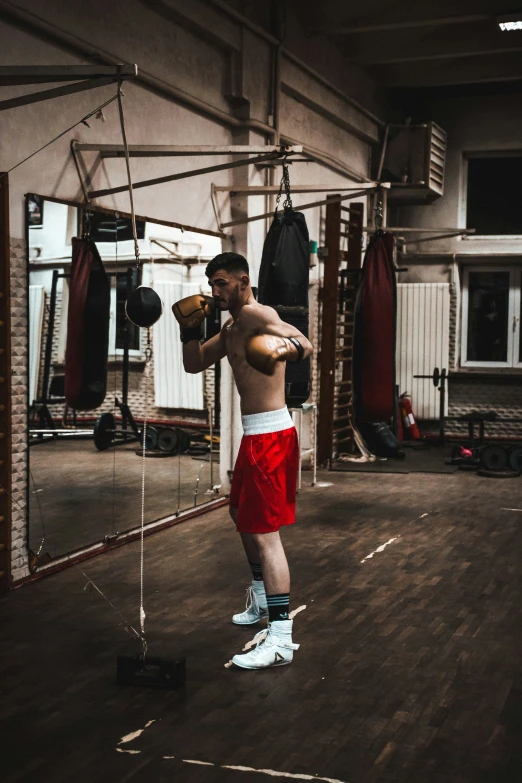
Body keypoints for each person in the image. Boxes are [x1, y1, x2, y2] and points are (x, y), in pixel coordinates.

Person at [172, 252, 313, 669]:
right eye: (211, 284)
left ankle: (282, 639)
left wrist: (273, 349)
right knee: (239, 514)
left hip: (271, 433)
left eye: (220, 283)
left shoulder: (255, 314)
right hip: (255, 436)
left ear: (241, 281)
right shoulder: (232, 327)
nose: (214, 291)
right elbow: (194, 363)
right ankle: (259, 597)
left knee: (265, 534)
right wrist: (188, 331)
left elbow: (304, 345)